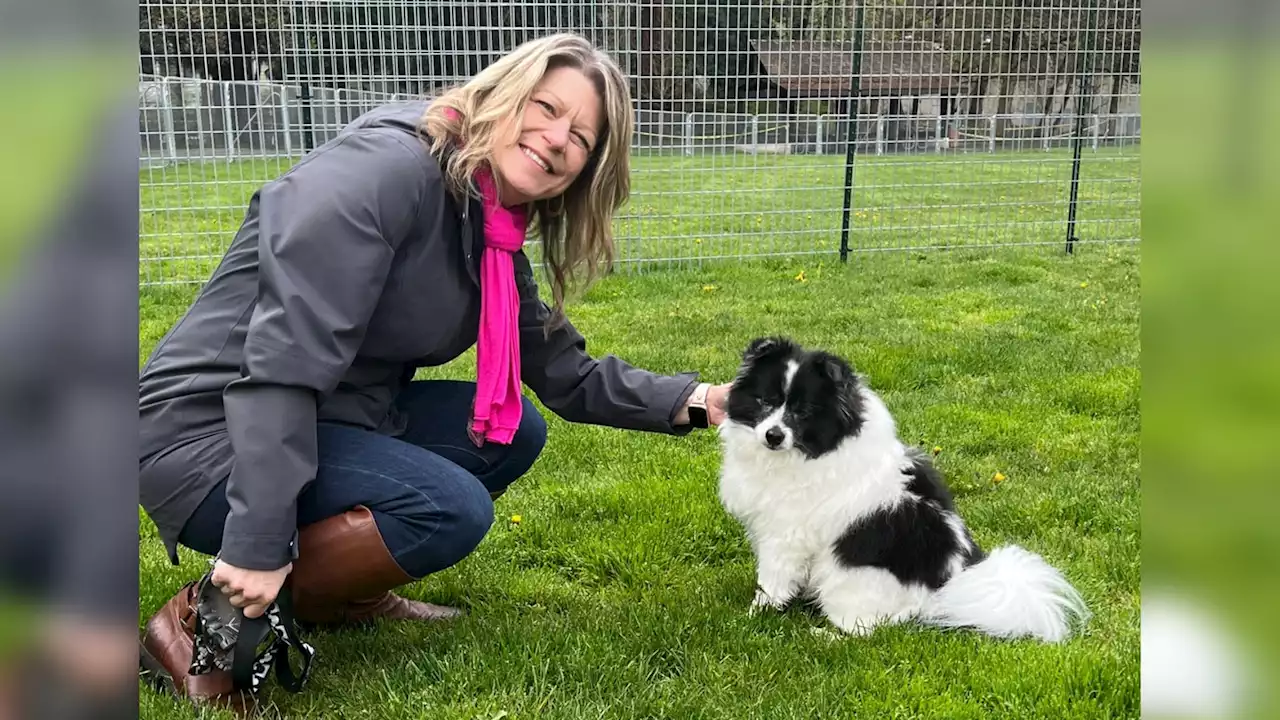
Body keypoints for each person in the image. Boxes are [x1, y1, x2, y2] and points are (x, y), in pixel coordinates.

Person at [137, 32, 731, 708]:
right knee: (446, 509)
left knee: (512, 429)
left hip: (331, 413)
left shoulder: (490, 224)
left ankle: (339, 595)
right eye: (545, 105)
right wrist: (256, 538)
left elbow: (565, 372)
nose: (558, 136)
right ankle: (200, 615)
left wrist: (703, 399)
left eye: (583, 137)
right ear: (503, 95)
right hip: (213, 431)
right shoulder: (382, 174)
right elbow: (283, 364)